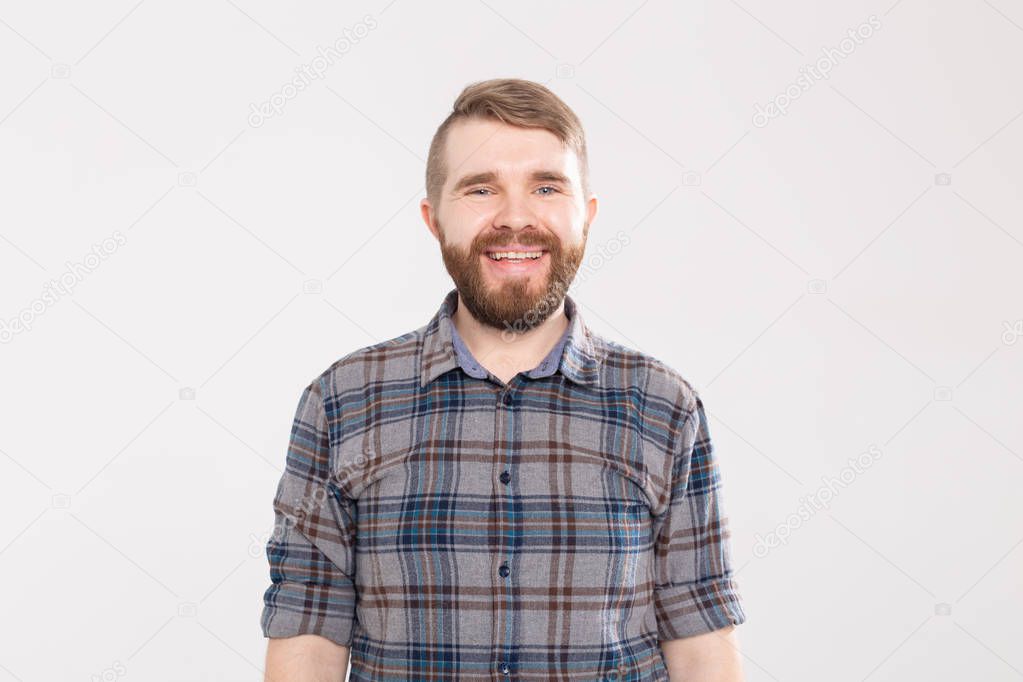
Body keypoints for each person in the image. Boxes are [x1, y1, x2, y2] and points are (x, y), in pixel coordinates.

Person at [261, 77, 746, 681]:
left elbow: (700, 640)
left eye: (546, 187)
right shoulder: (341, 401)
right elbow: (308, 631)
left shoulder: (664, 405)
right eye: (481, 188)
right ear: (433, 219)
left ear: (586, 216)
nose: (515, 218)